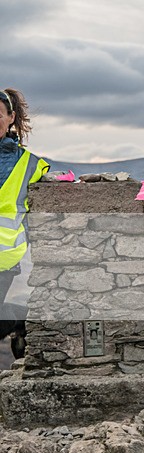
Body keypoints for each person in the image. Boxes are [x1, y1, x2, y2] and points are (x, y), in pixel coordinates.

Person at [0, 88, 49, 334]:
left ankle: (19, 318)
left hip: (4, 254)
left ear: (11, 118)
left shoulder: (30, 164)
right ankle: (19, 318)